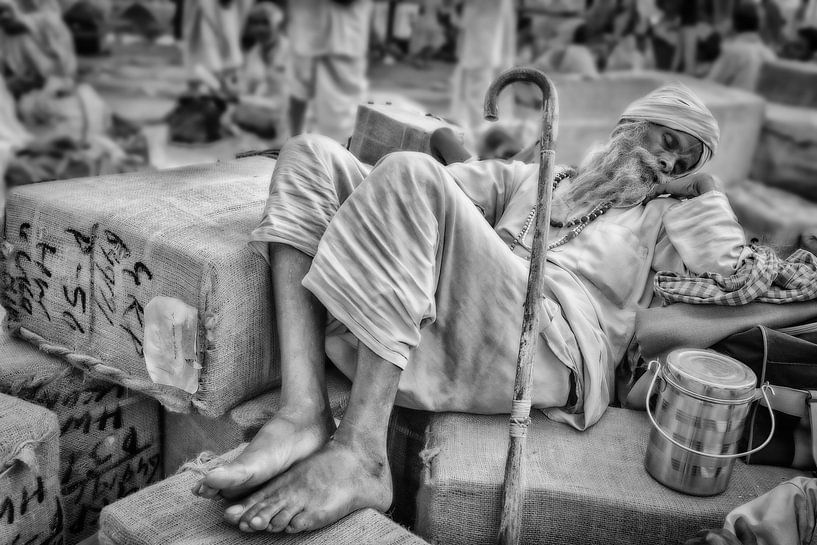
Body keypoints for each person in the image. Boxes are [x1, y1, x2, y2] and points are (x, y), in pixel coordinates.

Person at [192, 83, 743, 534]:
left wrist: (706, 191)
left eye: (683, 158)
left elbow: (730, 271)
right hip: (459, 317)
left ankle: (362, 451)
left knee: (412, 173)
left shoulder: (665, 218)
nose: (668, 157)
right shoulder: (539, 178)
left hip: (550, 348)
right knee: (310, 154)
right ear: (628, 129)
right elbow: (416, 193)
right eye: (665, 138)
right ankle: (302, 410)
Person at [286, 0, 373, 144]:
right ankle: (294, 147)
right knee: (299, 91)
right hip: (307, 25)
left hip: (344, 36)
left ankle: (342, 153)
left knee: (343, 116)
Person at [449, 0, 516, 145]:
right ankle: (484, 134)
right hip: (482, 45)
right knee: (478, 90)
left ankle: (483, 136)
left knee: (479, 91)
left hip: (483, 47)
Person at [707, 2, 776, 91]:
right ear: (760, 25)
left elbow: (709, 84)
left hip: (731, 102)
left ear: (734, 22)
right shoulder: (770, 55)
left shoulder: (732, 51)